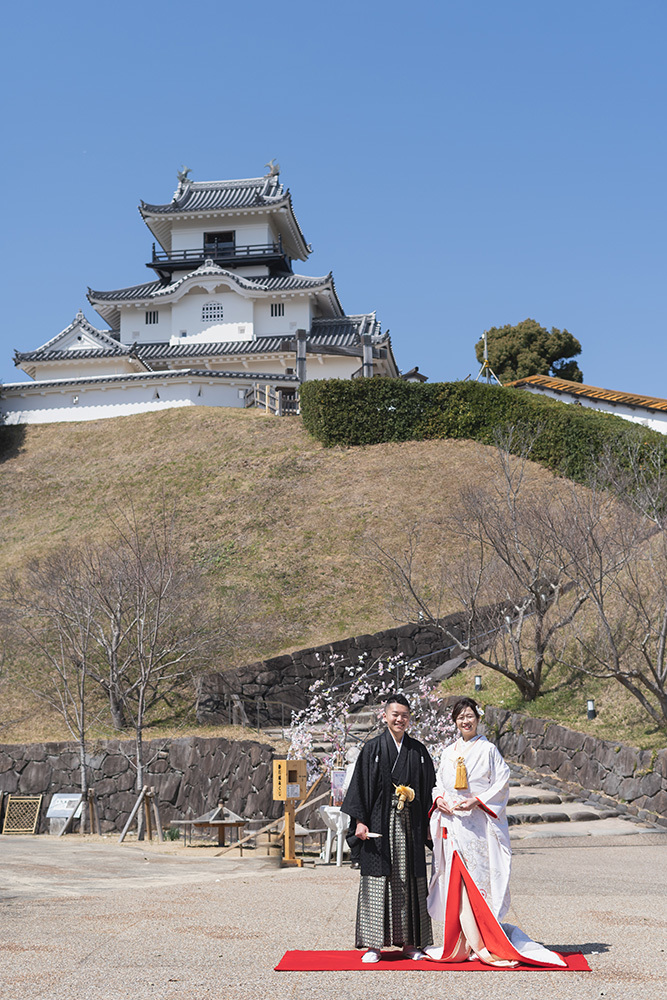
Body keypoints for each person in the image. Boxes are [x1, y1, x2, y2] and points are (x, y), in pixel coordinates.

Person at [425, 697, 566, 967]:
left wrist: (477, 800)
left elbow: (501, 783)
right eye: (460, 717)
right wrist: (439, 799)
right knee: (457, 881)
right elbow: (438, 784)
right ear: (454, 722)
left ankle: (484, 940)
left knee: (479, 882)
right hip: (454, 824)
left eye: (470, 716)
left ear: (477, 719)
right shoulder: (447, 752)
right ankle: (462, 942)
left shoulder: (489, 750)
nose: (465, 721)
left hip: (478, 825)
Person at [342, 694, 436, 963]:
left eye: (404, 715)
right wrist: (360, 821)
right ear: (385, 716)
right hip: (378, 824)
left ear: (409, 718)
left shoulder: (418, 752)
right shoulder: (372, 749)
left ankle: (411, 943)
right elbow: (360, 788)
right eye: (395, 714)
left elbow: (430, 788)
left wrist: (429, 824)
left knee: (409, 881)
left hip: (411, 826)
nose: (399, 719)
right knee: (377, 881)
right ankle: (374, 946)